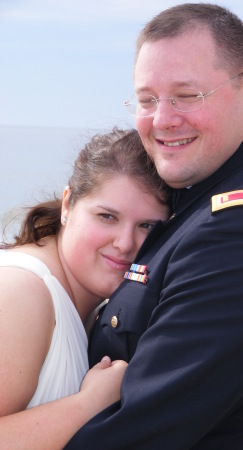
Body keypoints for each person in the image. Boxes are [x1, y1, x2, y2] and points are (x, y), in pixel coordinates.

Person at [66, 4, 243, 450]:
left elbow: (133, 437)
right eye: (147, 99)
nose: (162, 119)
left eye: (187, 95)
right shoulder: (197, 202)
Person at [0, 127, 170, 449]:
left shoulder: (88, 305)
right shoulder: (23, 292)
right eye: (107, 216)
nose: (124, 243)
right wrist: (89, 404)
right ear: (67, 205)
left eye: (147, 226)